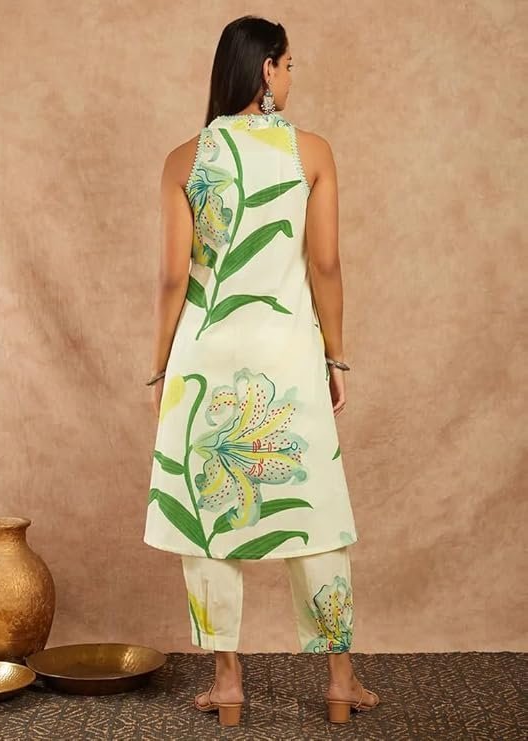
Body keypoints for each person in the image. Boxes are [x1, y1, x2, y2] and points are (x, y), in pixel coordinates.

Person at [143, 14, 380, 727]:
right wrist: (336, 352)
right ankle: (340, 680)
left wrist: (159, 369)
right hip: (288, 353)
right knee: (316, 509)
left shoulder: (183, 160)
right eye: (289, 64)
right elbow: (326, 264)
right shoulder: (312, 152)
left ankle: (228, 682)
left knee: (210, 517)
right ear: (267, 69)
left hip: (204, 356)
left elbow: (172, 278)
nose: (292, 76)